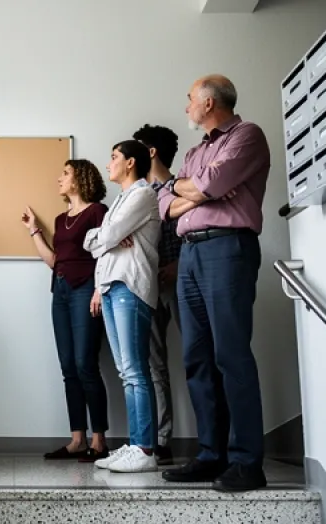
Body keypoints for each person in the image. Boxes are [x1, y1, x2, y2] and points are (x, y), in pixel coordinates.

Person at [158, 75, 270, 492]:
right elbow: (165, 203)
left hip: (228, 249)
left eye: (190, 99)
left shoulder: (247, 135)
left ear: (208, 102)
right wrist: (185, 189)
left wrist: (192, 188)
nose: (186, 106)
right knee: (197, 358)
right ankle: (211, 455)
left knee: (231, 355)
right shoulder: (194, 152)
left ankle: (246, 462)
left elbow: (211, 184)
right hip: (190, 254)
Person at [21, 159, 111, 463]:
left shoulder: (98, 211)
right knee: (68, 366)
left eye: (65, 173)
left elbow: (106, 253)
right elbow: (54, 260)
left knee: (86, 363)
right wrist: (34, 231)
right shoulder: (60, 220)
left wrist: (99, 289)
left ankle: (99, 441)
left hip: (85, 288)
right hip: (59, 290)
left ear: (80, 178)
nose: (59, 178)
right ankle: (77, 440)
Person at [84, 140, 161, 474]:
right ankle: (135, 444)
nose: (108, 163)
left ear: (130, 162)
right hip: (111, 286)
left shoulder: (143, 194)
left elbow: (107, 235)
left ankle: (145, 449)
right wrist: (107, 239)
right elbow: (94, 241)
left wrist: (107, 238)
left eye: (114, 157)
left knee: (135, 371)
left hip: (130, 286)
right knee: (125, 372)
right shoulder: (120, 200)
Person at [132, 124, 182, 465]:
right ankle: (160, 441)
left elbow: (194, 230)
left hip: (182, 282)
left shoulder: (183, 187)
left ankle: (215, 443)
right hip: (146, 285)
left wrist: (179, 264)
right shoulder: (136, 195)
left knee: (199, 358)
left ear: (150, 152)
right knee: (153, 365)